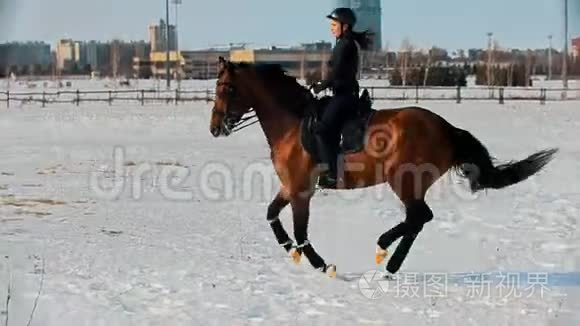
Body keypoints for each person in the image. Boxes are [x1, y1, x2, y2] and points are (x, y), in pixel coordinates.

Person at [310, 7, 372, 189]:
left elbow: (335, 73)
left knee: (321, 130)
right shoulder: (344, 43)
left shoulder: (345, 44)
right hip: (344, 94)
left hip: (344, 97)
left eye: (334, 24)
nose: (331, 27)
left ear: (345, 27)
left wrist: (320, 87)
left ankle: (333, 174)